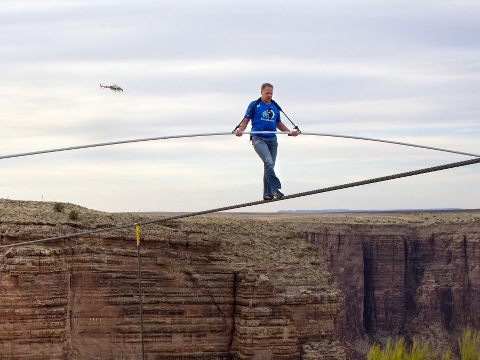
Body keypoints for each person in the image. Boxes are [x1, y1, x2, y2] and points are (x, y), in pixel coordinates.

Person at [235, 83, 298, 200]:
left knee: (270, 166)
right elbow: (245, 120)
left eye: (271, 93)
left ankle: (267, 194)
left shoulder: (274, 106)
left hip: (272, 139)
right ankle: (275, 189)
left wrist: (289, 132)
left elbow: (278, 123)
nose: (269, 95)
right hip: (258, 138)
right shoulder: (255, 104)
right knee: (269, 162)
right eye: (267, 93)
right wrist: (240, 130)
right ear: (261, 92)